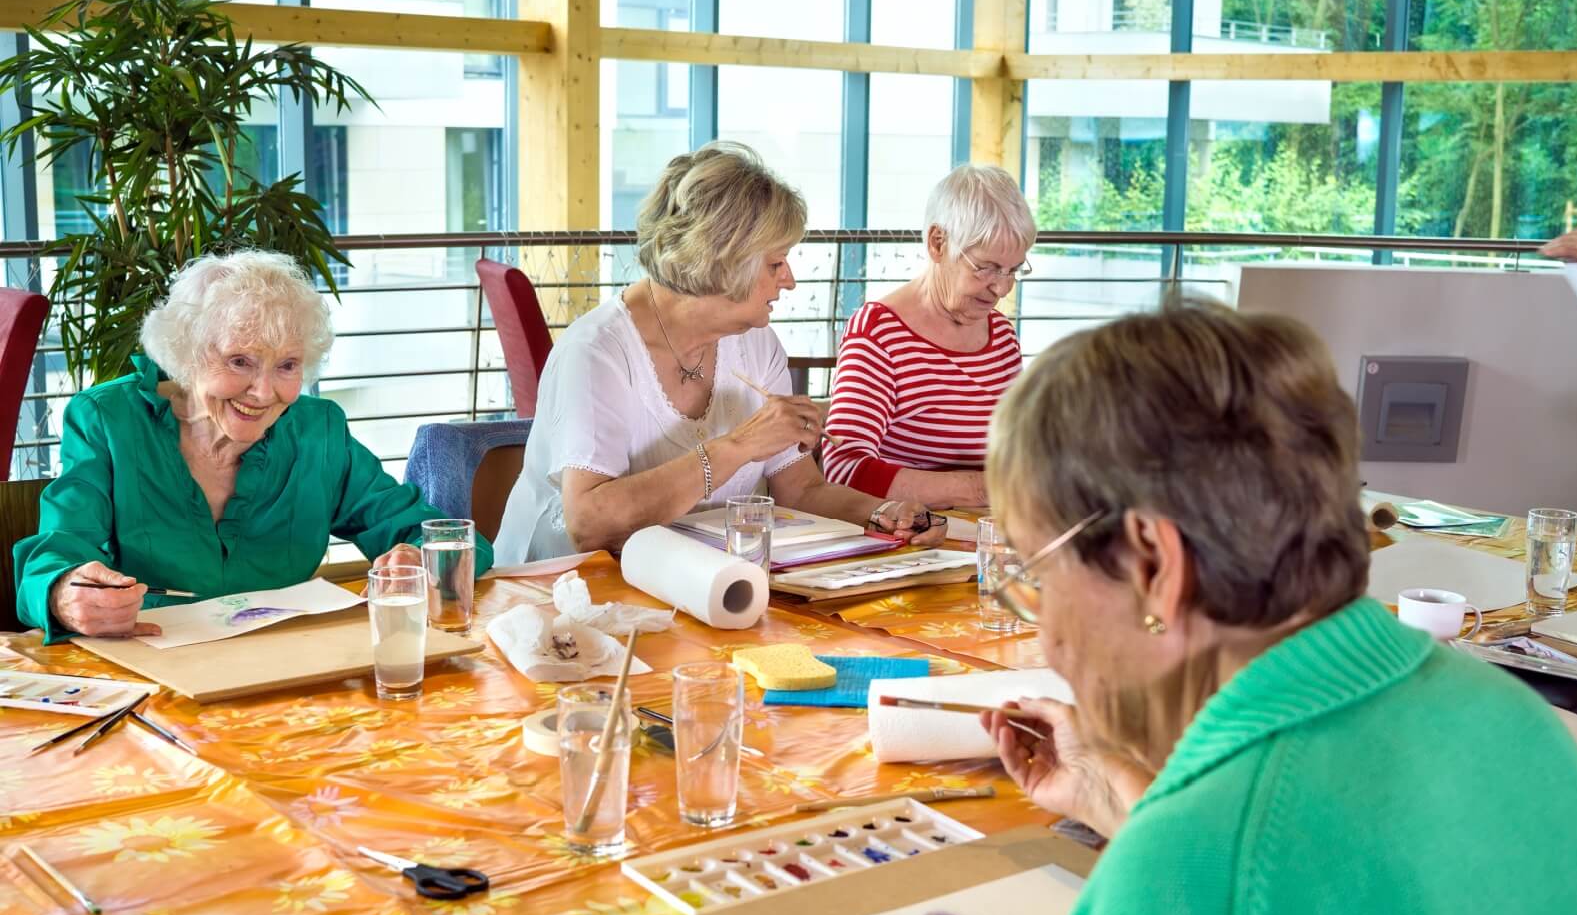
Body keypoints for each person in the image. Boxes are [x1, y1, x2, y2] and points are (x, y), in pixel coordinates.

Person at [909, 300, 1577, 915]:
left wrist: (1175, 844)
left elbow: (1234, 911)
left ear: (1152, 566)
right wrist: (1134, 801)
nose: (1043, 631)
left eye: (1037, 572)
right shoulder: (1512, 717)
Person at [493, 142, 944, 562]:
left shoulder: (756, 343)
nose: (789, 281)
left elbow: (800, 490)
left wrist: (883, 513)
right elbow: (589, 526)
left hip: (687, 581)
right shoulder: (597, 353)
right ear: (723, 260)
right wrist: (741, 445)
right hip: (562, 595)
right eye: (775, 264)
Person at [15, 250, 492, 643]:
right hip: (154, 674)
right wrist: (64, 594)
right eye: (239, 361)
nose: (264, 393)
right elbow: (57, 553)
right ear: (186, 351)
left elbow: (451, 539)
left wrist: (416, 556)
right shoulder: (108, 420)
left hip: (288, 676)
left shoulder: (317, 432)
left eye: (287, 366)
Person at [820, 165, 1033, 508]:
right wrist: (982, 489)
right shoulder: (879, 333)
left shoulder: (1002, 336)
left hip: (990, 535)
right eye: (986, 267)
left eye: (1013, 270)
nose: (1002, 288)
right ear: (938, 243)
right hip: (911, 540)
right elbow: (844, 468)